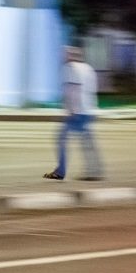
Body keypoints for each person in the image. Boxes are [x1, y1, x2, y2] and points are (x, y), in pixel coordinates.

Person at [44, 46, 104, 181]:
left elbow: (73, 89)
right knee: (87, 142)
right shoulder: (88, 68)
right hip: (89, 110)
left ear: (70, 56)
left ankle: (61, 171)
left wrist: (72, 110)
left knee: (61, 139)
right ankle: (95, 171)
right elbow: (92, 90)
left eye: (65, 54)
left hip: (78, 112)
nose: (63, 56)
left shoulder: (69, 68)